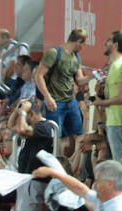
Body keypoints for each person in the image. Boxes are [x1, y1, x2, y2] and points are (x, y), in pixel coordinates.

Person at [34, 28, 89, 156]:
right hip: (55, 102)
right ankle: (57, 164)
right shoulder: (54, 53)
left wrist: (94, 76)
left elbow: (79, 81)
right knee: (55, 137)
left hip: (71, 101)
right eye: (84, 44)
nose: (84, 47)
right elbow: (39, 75)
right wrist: (47, 97)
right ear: (79, 41)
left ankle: (73, 164)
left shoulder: (76, 57)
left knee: (78, 133)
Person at [97, 32, 122, 160]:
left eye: (108, 40)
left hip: (119, 122)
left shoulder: (117, 66)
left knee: (121, 164)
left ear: (115, 45)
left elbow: (121, 97)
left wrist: (99, 102)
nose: (105, 43)